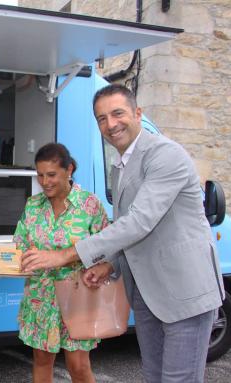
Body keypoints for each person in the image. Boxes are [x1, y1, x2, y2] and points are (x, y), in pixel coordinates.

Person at [21, 84, 225, 383]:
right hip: (146, 293)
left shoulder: (165, 154)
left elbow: (139, 222)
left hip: (184, 292)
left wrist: (63, 256)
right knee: (154, 377)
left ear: (138, 113)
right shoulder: (120, 165)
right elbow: (129, 230)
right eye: (102, 118)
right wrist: (109, 264)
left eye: (117, 113)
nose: (110, 124)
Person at [13, 143, 108, 383]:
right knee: (42, 361)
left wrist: (96, 265)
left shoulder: (90, 205)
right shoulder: (33, 205)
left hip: (78, 296)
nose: (45, 182)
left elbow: (107, 248)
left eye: (52, 175)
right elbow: (20, 245)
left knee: (78, 366)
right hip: (40, 297)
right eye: (40, 175)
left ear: (69, 170)